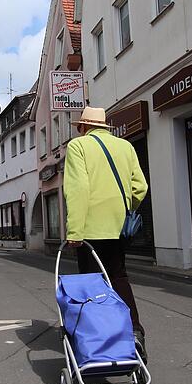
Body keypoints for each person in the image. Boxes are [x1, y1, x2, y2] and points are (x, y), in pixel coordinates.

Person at [63, 106, 149, 363]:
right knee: (119, 277)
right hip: (119, 227)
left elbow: (79, 189)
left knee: (92, 284)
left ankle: (100, 340)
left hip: (90, 229)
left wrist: (75, 231)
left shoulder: (78, 147)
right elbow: (140, 187)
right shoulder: (126, 147)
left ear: (84, 126)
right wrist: (124, 209)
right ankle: (133, 332)